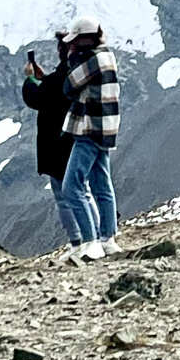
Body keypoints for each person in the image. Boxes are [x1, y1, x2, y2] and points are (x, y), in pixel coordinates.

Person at [21, 31, 97, 265]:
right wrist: (44, 79)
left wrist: (30, 79)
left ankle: (80, 242)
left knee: (66, 194)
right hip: (79, 137)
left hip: (58, 142)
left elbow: (37, 98)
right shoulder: (79, 72)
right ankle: (98, 237)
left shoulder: (64, 75)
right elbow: (52, 89)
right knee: (83, 189)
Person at [61, 15, 121, 260]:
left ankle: (90, 241)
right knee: (101, 184)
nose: (71, 45)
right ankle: (108, 238)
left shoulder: (93, 60)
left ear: (86, 39)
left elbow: (69, 86)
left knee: (71, 186)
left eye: (75, 41)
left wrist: (71, 59)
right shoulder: (107, 55)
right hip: (105, 129)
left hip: (89, 129)